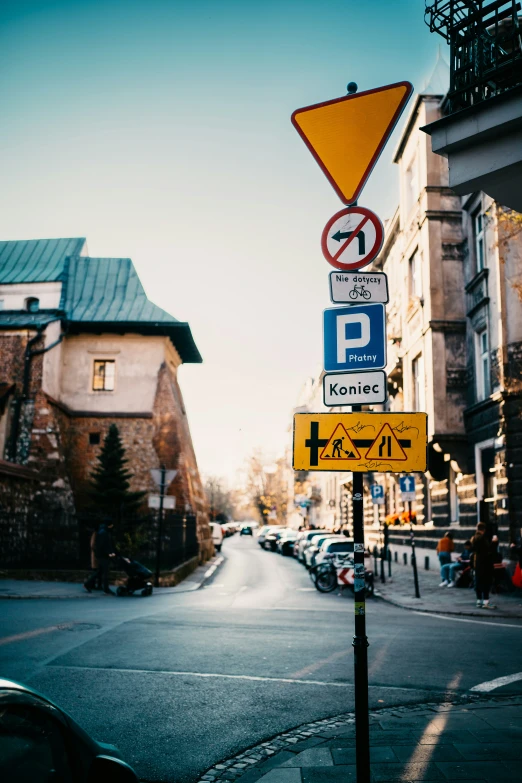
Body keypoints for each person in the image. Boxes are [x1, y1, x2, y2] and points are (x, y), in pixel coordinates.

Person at [84, 522, 117, 594]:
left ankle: (88, 583)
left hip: (100, 555)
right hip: (103, 555)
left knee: (100, 571)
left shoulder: (102, 531)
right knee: (105, 572)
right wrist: (110, 553)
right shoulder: (104, 533)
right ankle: (106, 588)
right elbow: (105, 545)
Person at [471, 521, 495, 608]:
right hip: (485, 563)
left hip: (477, 563)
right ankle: (485, 602)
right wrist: (494, 543)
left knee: (478, 582)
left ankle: (479, 601)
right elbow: (488, 550)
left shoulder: (474, 538)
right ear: (484, 530)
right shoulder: (482, 538)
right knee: (486, 582)